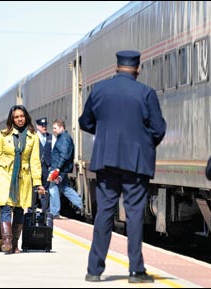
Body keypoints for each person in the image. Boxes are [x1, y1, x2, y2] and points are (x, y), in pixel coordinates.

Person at [79, 50, 166, 283]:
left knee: (104, 213)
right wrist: (143, 142)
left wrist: (106, 134)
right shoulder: (146, 93)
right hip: (136, 163)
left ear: (116, 67)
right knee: (135, 214)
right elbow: (159, 129)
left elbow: (84, 121)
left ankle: (94, 270)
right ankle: (136, 270)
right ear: (138, 69)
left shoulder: (99, 90)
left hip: (106, 161)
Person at [0, 105, 45, 254]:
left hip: (23, 177)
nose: (19, 119)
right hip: (5, 175)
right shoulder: (4, 134)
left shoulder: (33, 136)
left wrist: (38, 183)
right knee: (6, 207)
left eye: (22, 116)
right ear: (12, 118)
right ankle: (7, 241)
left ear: (26, 117)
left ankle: (15, 243)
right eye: (16, 117)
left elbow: (35, 161)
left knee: (19, 209)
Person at [47, 119, 83, 218]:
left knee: (53, 188)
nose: (53, 130)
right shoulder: (63, 137)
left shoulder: (64, 139)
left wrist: (58, 168)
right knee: (64, 188)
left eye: (55, 128)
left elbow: (64, 155)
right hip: (61, 168)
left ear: (61, 128)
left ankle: (54, 212)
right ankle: (80, 204)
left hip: (59, 169)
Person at [35, 117, 54, 212]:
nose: (44, 128)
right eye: (42, 126)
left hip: (46, 166)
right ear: (37, 126)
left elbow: (54, 151)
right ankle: (32, 210)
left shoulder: (51, 137)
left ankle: (45, 211)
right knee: (34, 189)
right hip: (35, 167)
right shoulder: (33, 137)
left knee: (46, 189)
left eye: (45, 126)